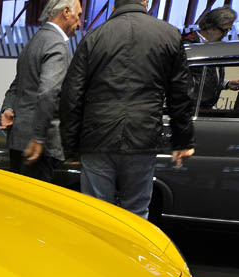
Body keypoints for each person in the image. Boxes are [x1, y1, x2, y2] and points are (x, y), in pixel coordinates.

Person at [59, 0, 195, 220]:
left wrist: (71, 147)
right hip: (143, 136)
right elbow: (180, 93)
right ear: (146, 2)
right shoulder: (169, 35)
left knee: (95, 213)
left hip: (97, 137)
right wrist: (183, 140)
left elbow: (71, 94)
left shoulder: (94, 37)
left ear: (114, 6)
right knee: (136, 213)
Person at [0, 0, 82, 183]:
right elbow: (48, 93)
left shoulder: (34, 41)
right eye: (78, 15)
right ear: (66, 12)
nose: (79, 22)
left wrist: (8, 108)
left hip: (18, 140)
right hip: (39, 147)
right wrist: (38, 137)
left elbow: (17, 84)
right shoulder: (56, 45)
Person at [187, 8, 239, 108]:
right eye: (224, 30)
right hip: (188, 108)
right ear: (210, 27)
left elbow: (207, 76)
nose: (225, 35)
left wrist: (226, 84)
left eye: (228, 30)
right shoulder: (189, 45)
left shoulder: (213, 46)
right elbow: (181, 80)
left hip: (204, 107)